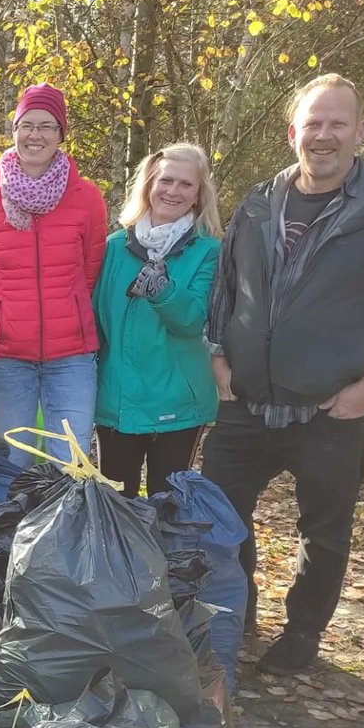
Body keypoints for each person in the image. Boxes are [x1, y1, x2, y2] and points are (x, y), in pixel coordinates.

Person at [203, 73, 364, 675]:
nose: (323, 135)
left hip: (332, 406)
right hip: (246, 400)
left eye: (337, 123)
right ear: (293, 130)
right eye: (313, 123)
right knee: (219, 516)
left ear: (359, 129)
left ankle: (302, 634)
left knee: (323, 530)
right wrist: (218, 356)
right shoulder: (256, 204)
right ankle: (236, 608)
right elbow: (226, 290)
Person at [0, 83, 108, 466]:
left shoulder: (88, 198)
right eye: (27, 125)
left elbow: (91, 270)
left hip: (72, 356)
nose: (36, 135)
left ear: (61, 134)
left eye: (47, 126)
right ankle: (13, 530)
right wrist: (5, 317)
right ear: (14, 131)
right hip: (6, 357)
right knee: (12, 465)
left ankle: (66, 529)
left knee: (70, 463)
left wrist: (70, 312)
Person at [93, 143, 222, 496]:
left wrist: (162, 290)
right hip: (117, 400)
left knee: (169, 512)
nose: (173, 191)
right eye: (166, 181)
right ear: (149, 185)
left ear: (198, 195)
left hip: (177, 402)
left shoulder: (209, 250)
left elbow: (194, 321)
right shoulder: (113, 247)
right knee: (117, 509)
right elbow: (93, 318)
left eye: (186, 184)